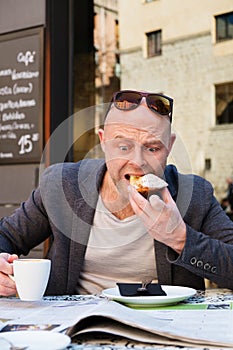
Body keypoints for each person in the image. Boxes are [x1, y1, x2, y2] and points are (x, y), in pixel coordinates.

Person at [1, 89, 233, 297]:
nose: (137, 162)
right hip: (75, 326)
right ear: (103, 141)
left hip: (162, 330)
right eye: (123, 147)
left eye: (153, 148)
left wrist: (180, 238)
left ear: (169, 147)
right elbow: (8, 236)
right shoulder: (62, 185)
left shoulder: (195, 196)